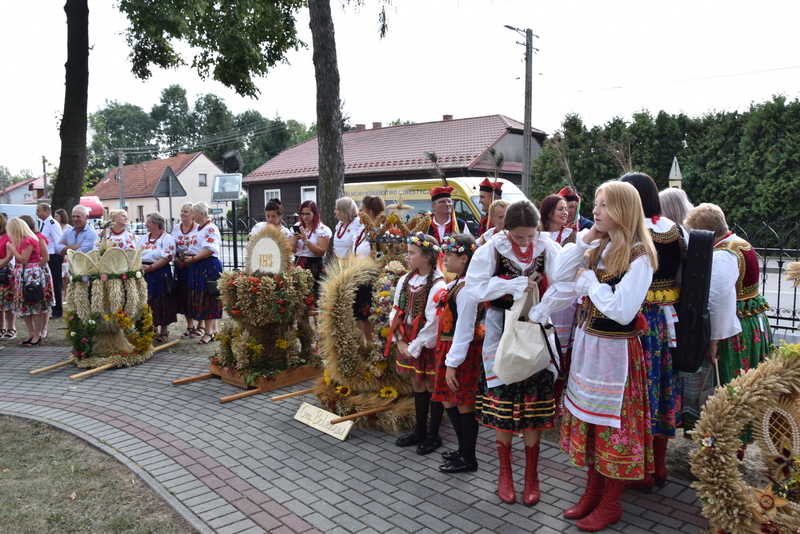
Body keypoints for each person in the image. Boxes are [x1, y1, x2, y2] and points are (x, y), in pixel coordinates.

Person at [543, 180, 657, 531]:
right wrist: (586, 240)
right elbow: (559, 274)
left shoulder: (640, 256)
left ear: (622, 210)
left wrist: (591, 284)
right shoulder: (601, 244)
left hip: (616, 355)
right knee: (592, 425)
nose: (596, 211)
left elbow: (622, 311)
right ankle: (592, 492)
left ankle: (611, 502)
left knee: (612, 427)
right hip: (589, 348)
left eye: (604, 205)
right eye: (596, 204)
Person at [467, 200, 572, 506]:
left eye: (530, 235)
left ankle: (531, 475)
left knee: (533, 408)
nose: (526, 241)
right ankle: (505, 473)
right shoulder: (492, 248)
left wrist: (543, 307)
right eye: (520, 236)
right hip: (501, 332)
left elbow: (566, 284)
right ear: (505, 229)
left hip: (535, 331)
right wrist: (513, 285)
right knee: (504, 405)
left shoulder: (548, 247)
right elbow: (475, 288)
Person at [682, 203, 772, 437]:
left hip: (735, 329)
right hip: (751, 321)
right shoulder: (740, 243)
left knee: (729, 385)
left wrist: (713, 341)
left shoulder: (723, 254)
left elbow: (720, 300)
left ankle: (729, 438)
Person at [620, 172, 686, 489]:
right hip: (665, 321)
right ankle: (659, 466)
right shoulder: (675, 230)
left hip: (636, 319)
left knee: (638, 391)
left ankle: (643, 468)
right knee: (661, 387)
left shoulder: (632, 233)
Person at [432, 234, 485, 473]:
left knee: (464, 402)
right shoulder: (458, 283)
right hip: (451, 347)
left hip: (461, 351)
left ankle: (469, 457)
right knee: (447, 398)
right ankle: (463, 449)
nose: (445, 259)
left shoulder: (466, 289)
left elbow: (464, 328)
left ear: (463, 258)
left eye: (450, 255)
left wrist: (452, 362)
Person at [391, 233, 448, 455]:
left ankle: (434, 434)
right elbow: (396, 310)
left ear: (426, 257)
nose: (407, 256)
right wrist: (399, 340)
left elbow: (434, 323)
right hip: (408, 340)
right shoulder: (406, 280)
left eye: (412, 253)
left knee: (431, 386)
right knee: (417, 384)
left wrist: (413, 346)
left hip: (427, 343)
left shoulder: (437, 284)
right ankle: (420, 431)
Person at [7, 217, 55, 346]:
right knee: (24, 305)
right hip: (22, 274)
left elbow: (23, 259)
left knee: (35, 303)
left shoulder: (29, 240)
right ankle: (31, 332)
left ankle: (38, 333)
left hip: (30, 274)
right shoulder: (22, 241)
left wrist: (11, 249)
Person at [182, 202, 222, 344]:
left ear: (201, 214)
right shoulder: (200, 228)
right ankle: (214, 330)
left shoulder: (210, 228)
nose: (192, 216)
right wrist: (187, 253)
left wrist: (193, 258)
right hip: (199, 265)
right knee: (204, 297)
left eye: (193, 213)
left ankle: (209, 332)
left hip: (208, 265)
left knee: (209, 298)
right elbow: (197, 247)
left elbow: (210, 249)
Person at [139, 212, 177, 343]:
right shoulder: (143, 238)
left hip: (159, 271)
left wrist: (151, 267)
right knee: (146, 300)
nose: (146, 224)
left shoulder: (167, 238)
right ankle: (150, 328)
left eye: (148, 222)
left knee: (161, 300)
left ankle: (164, 331)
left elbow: (167, 256)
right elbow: (137, 253)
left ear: (156, 224)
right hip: (144, 272)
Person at [289, 200, 331, 302]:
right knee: (300, 302)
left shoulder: (322, 230)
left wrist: (305, 240)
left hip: (315, 266)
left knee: (316, 302)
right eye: (302, 214)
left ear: (315, 214)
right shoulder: (297, 226)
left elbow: (320, 252)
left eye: (308, 214)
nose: (305, 217)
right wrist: (294, 240)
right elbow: (291, 250)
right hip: (299, 265)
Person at [20, 214, 54, 338]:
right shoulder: (23, 239)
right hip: (29, 272)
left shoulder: (39, 238)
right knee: (30, 299)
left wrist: (35, 268)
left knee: (43, 299)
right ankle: (34, 331)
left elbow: (45, 257)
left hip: (39, 271)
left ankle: (43, 328)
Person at [172, 203, 202, 338]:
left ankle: (201, 325)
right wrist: (176, 258)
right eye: (181, 211)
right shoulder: (176, 228)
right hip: (180, 266)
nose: (182, 214)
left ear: (192, 215)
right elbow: (171, 245)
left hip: (194, 265)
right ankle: (190, 325)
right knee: (184, 294)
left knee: (197, 294)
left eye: (186, 212)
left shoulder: (198, 229)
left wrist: (192, 259)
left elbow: (201, 247)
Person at [36, 203, 63, 318]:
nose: (37, 213)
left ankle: (57, 309)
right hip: (47, 256)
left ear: (46, 212)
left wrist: (60, 255)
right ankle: (50, 306)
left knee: (55, 282)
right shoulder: (43, 223)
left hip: (53, 256)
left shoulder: (52, 224)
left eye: (38, 211)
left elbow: (58, 240)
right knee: (48, 283)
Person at [0, 214, 16, 340]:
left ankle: (11, 328)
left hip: (5, 270)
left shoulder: (8, 237)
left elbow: (9, 256)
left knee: (9, 300)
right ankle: (1, 327)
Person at [54, 208, 71, 302]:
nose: (55, 217)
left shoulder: (68, 228)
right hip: (58, 253)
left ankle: (66, 295)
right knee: (59, 274)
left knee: (66, 275)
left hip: (66, 253)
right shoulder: (55, 227)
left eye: (56, 216)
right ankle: (60, 295)